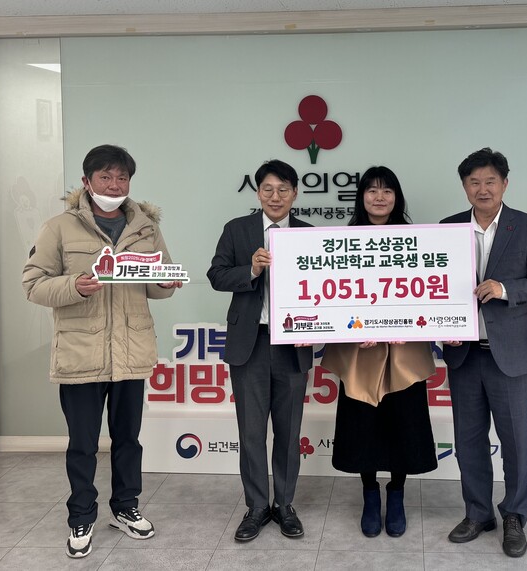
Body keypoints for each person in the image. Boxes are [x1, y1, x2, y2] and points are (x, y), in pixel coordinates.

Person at [23, 144, 183, 558]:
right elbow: (33, 284)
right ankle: (81, 516)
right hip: (81, 353)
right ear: (87, 181)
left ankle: (126, 507)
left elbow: (156, 285)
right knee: (83, 443)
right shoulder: (59, 227)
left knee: (128, 439)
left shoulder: (145, 228)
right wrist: (74, 286)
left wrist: (164, 283)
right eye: (105, 177)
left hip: (131, 352)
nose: (114, 185)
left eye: (122, 178)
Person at [440, 148, 527, 558]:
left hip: (511, 355)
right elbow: (435, 288)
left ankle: (514, 516)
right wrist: (443, 327)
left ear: (504, 184)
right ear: (464, 187)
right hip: (464, 355)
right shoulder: (447, 228)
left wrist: (505, 289)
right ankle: (478, 513)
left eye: (490, 181)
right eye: (474, 182)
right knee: (468, 440)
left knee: (515, 443)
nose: (483, 189)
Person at [319, 166, 438, 539]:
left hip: (404, 350)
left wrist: (409, 325)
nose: (379, 196)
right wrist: (353, 328)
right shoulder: (342, 242)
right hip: (359, 351)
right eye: (371, 190)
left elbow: (430, 291)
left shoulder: (416, 240)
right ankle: (370, 492)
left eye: (387, 190)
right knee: (362, 426)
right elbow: (330, 294)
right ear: (361, 197)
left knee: (403, 423)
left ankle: (397, 492)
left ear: (397, 197)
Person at [207, 159, 314, 543]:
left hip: (292, 345)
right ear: (258, 193)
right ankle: (256, 507)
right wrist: (251, 270)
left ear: (295, 193)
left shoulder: (309, 234)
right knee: (251, 431)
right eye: (268, 189)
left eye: (283, 189)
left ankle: (284, 505)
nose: (275, 196)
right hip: (250, 344)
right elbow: (216, 275)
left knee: (289, 431)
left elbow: (323, 289)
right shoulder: (237, 230)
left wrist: (316, 327)